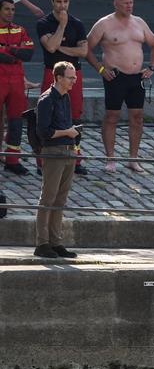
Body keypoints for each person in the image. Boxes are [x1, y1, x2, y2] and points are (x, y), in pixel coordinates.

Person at [86, 0, 154, 172]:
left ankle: (132, 158)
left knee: (137, 117)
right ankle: (110, 158)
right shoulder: (104, 24)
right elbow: (86, 48)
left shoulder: (139, 22)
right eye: (125, 3)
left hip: (137, 77)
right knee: (112, 116)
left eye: (131, 3)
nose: (129, 6)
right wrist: (101, 69)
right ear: (116, 4)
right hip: (115, 76)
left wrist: (151, 67)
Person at [36, 0, 88, 175]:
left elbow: (83, 52)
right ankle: (43, 161)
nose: (62, 5)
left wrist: (60, 47)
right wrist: (62, 26)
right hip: (52, 72)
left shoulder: (78, 24)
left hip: (74, 74)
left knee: (74, 116)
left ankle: (74, 159)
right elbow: (50, 47)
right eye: (58, 1)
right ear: (52, 2)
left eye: (65, 1)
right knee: (48, 115)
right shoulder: (44, 23)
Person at [33, 61, 79, 260]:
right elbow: (43, 132)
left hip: (68, 151)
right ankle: (42, 243)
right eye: (70, 77)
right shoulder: (46, 100)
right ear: (59, 77)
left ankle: (56, 242)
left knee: (60, 199)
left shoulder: (65, 97)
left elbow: (66, 123)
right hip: (53, 152)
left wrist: (74, 140)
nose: (74, 81)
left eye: (74, 77)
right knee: (48, 198)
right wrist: (66, 132)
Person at [0, 0, 33, 175]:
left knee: (16, 122)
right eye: (7, 9)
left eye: (13, 10)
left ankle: (13, 160)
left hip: (17, 81)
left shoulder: (20, 29)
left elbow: (29, 54)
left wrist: (7, 49)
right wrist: (16, 51)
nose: (11, 13)